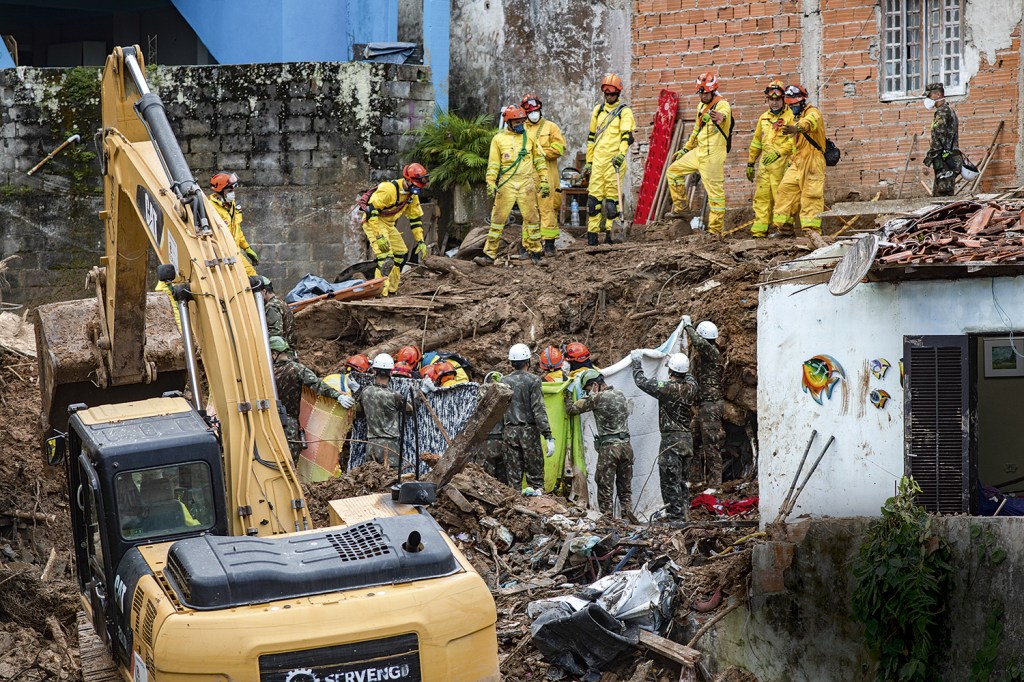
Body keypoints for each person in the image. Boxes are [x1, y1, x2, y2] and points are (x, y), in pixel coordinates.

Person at [475, 106, 549, 267]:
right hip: (506, 183)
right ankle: (489, 255)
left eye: (522, 121)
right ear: (508, 122)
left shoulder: (529, 138)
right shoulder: (499, 139)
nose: (520, 124)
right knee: (497, 219)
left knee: (532, 219)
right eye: (516, 122)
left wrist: (544, 180)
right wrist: (491, 182)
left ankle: (536, 252)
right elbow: (494, 164)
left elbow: (539, 161)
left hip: (526, 183)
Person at [630, 350, 699, 520]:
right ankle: (685, 515)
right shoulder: (692, 387)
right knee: (683, 481)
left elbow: (641, 382)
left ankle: (675, 519)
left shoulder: (667, 389)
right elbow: (688, 376)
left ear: (670, 371)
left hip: (672, 441)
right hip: (687, 440)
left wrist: (637, 362)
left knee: (670, 482)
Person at [564, 369, 636, 520]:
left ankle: (608, 521)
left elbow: (570, 409)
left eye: (589, 389)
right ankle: (628, 516)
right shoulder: (620, 394)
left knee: (605, 488)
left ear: (595, 385)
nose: (589, 392)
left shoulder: (597, 398)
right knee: (625, 489)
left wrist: (569, 392)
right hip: (627, 447)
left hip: (609, 449)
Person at [666, 73, 732, 235]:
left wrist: (719, 117)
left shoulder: (723, 105)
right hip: (699, 152)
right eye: (701, 93)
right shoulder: (701, 107)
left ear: (713, 91)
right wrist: (686, 149)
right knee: (673, 172)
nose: (703, 96)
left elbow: (724, 116)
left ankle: (715, 232)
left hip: (713, 156)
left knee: (715, 195)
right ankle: (682, 210)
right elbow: (696, 131)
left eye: (706, 93)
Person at [270, 336, 350, 462]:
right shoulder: (296, 369)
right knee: (290, 460)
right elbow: (318, 385)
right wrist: (338, 396)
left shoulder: (265, 372)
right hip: (289, 422)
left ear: (274, 354)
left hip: (267, 421)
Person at [362, 163, 430, 296]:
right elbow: (371, 211)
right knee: (386, 258)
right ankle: (380, 292)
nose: (417, 189)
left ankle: (392, 290)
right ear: (408, 180)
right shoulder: (388, 190)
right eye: (416, 185)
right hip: (374, 222)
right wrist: (379, 236)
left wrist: (420, 241)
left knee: (401, 254)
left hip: (388, 224)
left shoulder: (412, 195)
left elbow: (415, 219)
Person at [583, 74, 635, 245]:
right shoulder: (597, 111)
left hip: (614, 162)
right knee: (593, 203)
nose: (609, 97)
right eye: (607, 94)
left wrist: (621, 154)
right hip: (598, 162)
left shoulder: (624, 112)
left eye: (612, 94)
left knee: (611, 205)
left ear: (618, 94)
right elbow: (591, 138)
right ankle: (592, 237)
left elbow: (626, 136)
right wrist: (589, 161)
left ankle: (610, 237)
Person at [772, 84, 826, 235]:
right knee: (785, 191)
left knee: (811, 196)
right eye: (790, 105)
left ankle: (812, 232)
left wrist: (797, 127)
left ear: (802, 102)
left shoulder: (813, 113)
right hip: (797, 162)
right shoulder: (796, 116)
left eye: (795, 104)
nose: (792, 107)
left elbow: (809, 123)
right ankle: (784, 229)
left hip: (813, 161)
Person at [501, 343, 555, 491]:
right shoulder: (534, 380)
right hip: (529, 432)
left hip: (509, 432)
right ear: (528, 362)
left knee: (513, 479)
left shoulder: (503, 381)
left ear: (511, 362)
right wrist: (548, 435)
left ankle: (514, 508)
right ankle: (538, 507)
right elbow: (538, 409)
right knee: (536, 477)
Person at [747, 80, 794, 238]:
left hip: (781, 164)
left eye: (777, 99)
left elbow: (794, 142)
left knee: (781, 197)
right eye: (771, 99)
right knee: (761, 198)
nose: (774, 102)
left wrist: (780, 152)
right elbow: (756, 142)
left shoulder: (790, 116)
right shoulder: (764, 118)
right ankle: (759, 231)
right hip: (764, 166)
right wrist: (750, 162)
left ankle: (784, 230)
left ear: (783, 99)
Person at [522, 93, 567, 257]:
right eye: (530, 112)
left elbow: (560, 148)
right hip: (527, 175)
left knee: (548, 208)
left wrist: (542, 152)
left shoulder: (551, 127)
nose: (533, 114)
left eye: (536, 111)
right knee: (528, 210)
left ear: (540, 110)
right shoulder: (521, 128)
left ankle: (549, 244)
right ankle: (528, 245)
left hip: (547, 174)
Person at [682, 317, 724, 487]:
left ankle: (715, 485)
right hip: (703, 405)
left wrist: (688, 326)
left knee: (711, 444)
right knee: (693, 441)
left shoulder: (711, 352)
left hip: (711, 404)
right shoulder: (705, 355)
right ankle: (696, 479)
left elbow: (699, 344)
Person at [353, 353, 413, 468]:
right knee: (390, 481)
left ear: (374, 371)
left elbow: (358, 412)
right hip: (389, 446)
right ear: (391, 373)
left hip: (371, 445)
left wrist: (356, 392)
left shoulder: (366, 392)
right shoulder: (394, 396)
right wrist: (422, 393)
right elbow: (410, 410)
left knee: (371, 480)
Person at [209, 171, 258, 277]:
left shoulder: (231, 205)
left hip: (235, 252)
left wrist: (246, 248)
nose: (233, 193)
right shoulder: (210, 208)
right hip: (222, 255)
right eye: (230, 190)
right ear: (220, 190)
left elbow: (237, 229)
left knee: (253, 277)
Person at [922, 82, 961, 197]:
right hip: (948, 160)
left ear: (938, 94)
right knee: (942, 195)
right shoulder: (948, 110)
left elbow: (939, 140)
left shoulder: (942, 112)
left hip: (946, 162)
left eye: (929, 96)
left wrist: (927, 162)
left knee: (943, 198)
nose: (928, 99)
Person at [479, 371, 508, 483]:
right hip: (503, 442)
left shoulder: (481, 397)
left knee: (486, 480)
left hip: (485, 443)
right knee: (503, 482)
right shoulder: (507, 397)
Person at [262, 277, 296, 355]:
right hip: (289, 350)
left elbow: (275, 332)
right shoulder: (280, 301)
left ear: (264, 291)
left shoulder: (272, 306)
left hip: (282, 354)